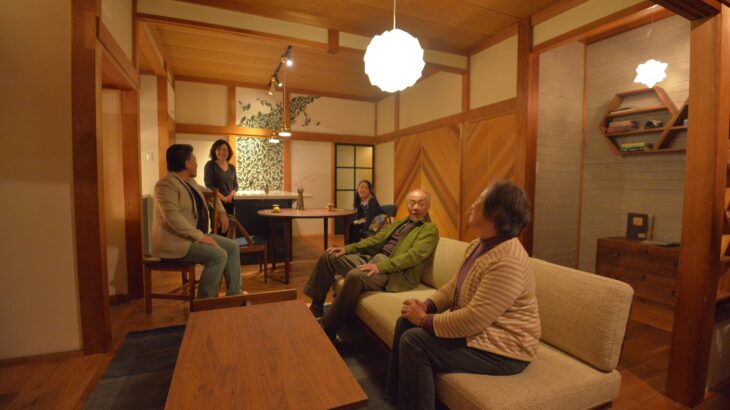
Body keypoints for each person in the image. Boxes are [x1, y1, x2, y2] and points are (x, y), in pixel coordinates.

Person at [384, 181, 541, 410]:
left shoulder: (508, 261)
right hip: (480, 332)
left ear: (495, 212)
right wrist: (428, 306)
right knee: (405, 322)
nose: (473, 205)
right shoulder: (478, 244)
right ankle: (394, 399)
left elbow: (473, 319)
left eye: (479, 201)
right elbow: (454, 286)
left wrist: (424, 320)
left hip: (504, 349)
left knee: (415, 341)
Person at [304, 189, 439, 341]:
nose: (415, 207)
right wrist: (347, 248)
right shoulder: (401, 222)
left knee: (355, 275)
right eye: (412, 203)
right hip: (373, 259)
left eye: (421, 203)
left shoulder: (429, 229)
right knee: (329, 256)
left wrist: (380, 267)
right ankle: (316, 307)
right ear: (407, 204)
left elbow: (412, 257)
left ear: (428, 206)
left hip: (394, 273)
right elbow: (376, 239)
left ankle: (328, 328)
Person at [152, 144, 242, 299]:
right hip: (176, 243)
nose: (197, 164)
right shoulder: (166, 184)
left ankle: (235, 295)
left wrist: (221, 212)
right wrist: (201, 237)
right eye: (194, 160)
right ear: (187, 164)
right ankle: (204, 302)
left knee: (232, 247)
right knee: (219, 255)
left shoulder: (190, 182)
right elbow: (173, 218)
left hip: (193, 237)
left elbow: (210, 193)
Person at [204, 139, 238, 216]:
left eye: (225, 150)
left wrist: (230, 196)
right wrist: (223, 198)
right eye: (219, 149)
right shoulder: (210, 165)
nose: (222, 152)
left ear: (228, 152)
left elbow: (235, 186)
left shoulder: (232, 167)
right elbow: (209, 185)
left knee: (230, 222)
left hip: (230, 202)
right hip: (216, 202)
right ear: (214, 151)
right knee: (219, 223)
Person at [347, 179, 385, 244]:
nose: (363, 190)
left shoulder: (372, 201)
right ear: (358, 189)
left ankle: (357, 246)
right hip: (369, 220)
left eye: (366, 188)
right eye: (361, 187)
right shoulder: (359, 200)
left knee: (357, 227)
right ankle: (351, 245)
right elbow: (358, 215)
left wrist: (363, 229)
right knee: (352, 225)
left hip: (377, 222)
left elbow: (370, 217)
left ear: (369, 191)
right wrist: (355, 222)